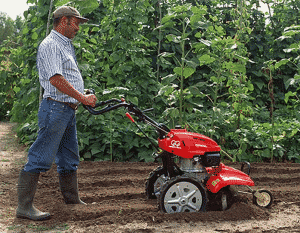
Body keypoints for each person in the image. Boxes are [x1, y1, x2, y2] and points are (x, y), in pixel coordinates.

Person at [16, 6, 97, 221]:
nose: (79, 27)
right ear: (64, 21)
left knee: (69, 158)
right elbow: (55, 79)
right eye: (76, 22)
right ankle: (24, 208)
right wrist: (82, 98)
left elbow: (67, 76)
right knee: (41, 156)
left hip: (66, 109)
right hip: (55, 108)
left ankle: (72, 200)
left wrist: (82, 93)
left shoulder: (65, 45)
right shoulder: (51, 45)